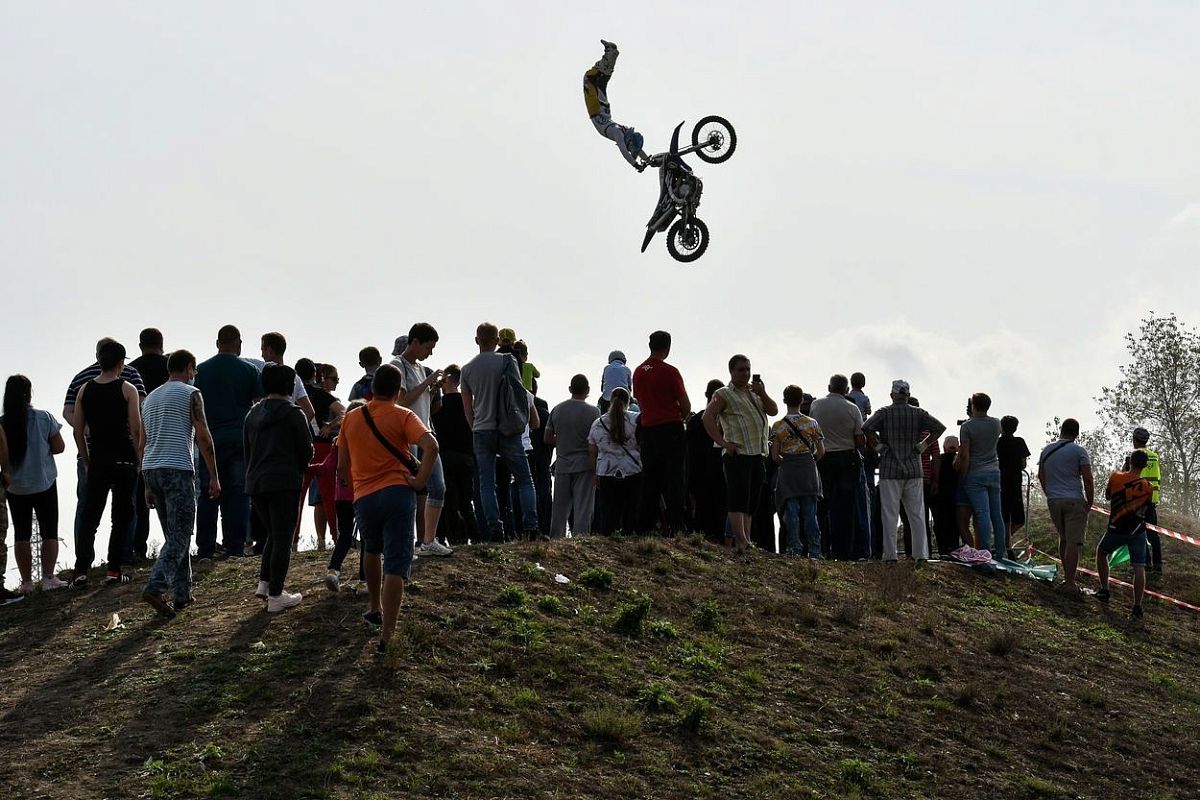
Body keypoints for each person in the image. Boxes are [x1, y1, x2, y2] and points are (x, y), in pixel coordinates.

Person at [337, 363, 438, 652]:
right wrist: (419, 480)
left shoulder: (351, 418)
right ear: (398, 390)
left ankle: (374, 607)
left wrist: (355, 484)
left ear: (371, 389)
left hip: (364, 496)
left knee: (371, 548)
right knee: (396, 561)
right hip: (397, 491)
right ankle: (387, 635)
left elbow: (343, 465)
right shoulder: (403, 414)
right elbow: (431, 446)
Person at [141, 350, 221, 617]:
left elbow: (143, 442)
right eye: (194, 370)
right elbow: (203, 436)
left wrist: (146, 484)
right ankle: (156, 586)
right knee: (181, 533)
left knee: (174, 535)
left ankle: (182, 593)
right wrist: (214, 476)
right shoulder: (191, 393)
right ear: (188, 368)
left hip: (152, 468)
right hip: (177, 467)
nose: (194, 374)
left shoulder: (150, 398)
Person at [63, 338, 147, 558]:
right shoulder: (130, 376)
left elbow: (68, 412)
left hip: (92, 453)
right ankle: (122, 556)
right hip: (124, 451)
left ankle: (83, 560)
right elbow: (140, 405)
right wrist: (139, 451)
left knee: (87, 509)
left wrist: (87, 428)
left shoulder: (81, 379)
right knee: (125, 508)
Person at [460, 322, 539, 541]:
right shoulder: (507, 360)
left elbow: (468, 409)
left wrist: (476, 426)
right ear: (496, 341)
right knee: (524, 479)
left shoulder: (466, 370)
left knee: (486, 482)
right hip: (507, 429)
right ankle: (531, 528)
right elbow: (519, 393)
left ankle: (495, 529)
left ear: (476, 340)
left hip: (481, 429)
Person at [245, 364, 313, 613]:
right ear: (290, 386)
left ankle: (265, 584)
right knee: (283, 536)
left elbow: (247, 450)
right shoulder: (294, 414)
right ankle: (276, 595)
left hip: (256, 481)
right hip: (284, 481)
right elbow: (306, 451)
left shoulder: (252, 414)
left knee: (273, 533)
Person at [194, 325, 263, 560]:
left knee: (208, 492)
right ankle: (235, 545)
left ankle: (205, 548)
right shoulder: (249, 370)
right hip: (239, 439)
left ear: (217, 343)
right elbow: (259, 403)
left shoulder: (200, 371)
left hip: (209, 440)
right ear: (239, 343)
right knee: (238, 494)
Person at [862, 380, 945, 562]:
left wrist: (879, 447)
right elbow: (939, 428)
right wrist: (922, 446)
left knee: (889, 513)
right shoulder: (918, 413)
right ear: (908, 394)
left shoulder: (884, 413)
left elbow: (866, 428)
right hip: (914, 468)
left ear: (892, 395)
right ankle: (920, 555)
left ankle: (890, 555)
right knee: (916, 513)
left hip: (890, 468)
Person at [702, 355, 777, 553]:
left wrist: (762, 392)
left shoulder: (754, 392)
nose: (745, 373)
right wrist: (723, 442)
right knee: (738, 497)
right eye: (741, 369)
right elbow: (707, 416)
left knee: (751, 500)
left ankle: (746, 540)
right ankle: (741, 540)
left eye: (747, 369)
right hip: (738, 452)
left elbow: (773, 410)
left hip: (757, 452)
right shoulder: (724, 393)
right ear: (732, 371)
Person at [2, 375, 68, 592]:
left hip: (15, 485)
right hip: (44, 481)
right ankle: (49, 577)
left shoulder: (3, 423)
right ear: (28, 393)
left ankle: (26, 582)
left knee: (21, 533)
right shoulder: (43, 417)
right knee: (49, 529)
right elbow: (59, 447)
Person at [394, 323, 452, 558]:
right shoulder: (398, 365)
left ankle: (428, 540)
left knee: (437, 486)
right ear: (415, 342)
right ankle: (408, 543)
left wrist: (432, 389)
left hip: (425, 432)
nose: (430, 353)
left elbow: (423, 403)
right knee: (408, 491)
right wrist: (428, 383)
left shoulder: (419, 368)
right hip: (408, 435)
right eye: (429, 347)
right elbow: (401, 401)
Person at [633, 331, 691, 535]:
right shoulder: (670, 372)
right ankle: (677, 527)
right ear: (668, 347)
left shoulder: (639, 371)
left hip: (648, 429)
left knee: (650, 481)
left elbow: (638, 398)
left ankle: (644, 527)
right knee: (675, 479)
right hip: (670, 428)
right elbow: (685, 405)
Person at [809, 374, 869, 560]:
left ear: (829, 387)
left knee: (822, 504)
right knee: (846, 507)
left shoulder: (816, 405)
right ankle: (843, 551)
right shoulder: (852, 409)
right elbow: (860, 439)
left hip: (823, 457)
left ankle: (821, 547)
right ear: (846, 389)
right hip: (846, 458)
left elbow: (812, 430)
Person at [127, 327, 170, 565]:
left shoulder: (131, 369)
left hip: (139, 438)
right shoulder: (169, 367)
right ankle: (175, 541)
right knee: (172, 493)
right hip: (169, 435)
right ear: (161, 343)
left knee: (139, 497)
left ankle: (138, 548)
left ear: (140, 344)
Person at [1037, 418, 1094, 594]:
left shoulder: (1046, 450)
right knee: (1073, 542)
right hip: (1074, 500)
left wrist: (1050, 494)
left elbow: (1041, 475)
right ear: (1077, 433)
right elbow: (1087, 477)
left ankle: (1065, 577)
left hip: (1054, 500)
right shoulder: (1079, 451)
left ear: (1061, 430)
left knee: (1063, 537)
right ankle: (1070, 582)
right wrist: (1089, 501)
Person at [1096, 450, 1153, 619]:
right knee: (1139, 567)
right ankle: (1137, 606)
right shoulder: (1148, 487)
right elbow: (1147, 509)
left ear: (1130, 462)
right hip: (1137, 531)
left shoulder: (1116, 477)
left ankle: (1105, 590)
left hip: (1117, 528)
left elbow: (1107, 496)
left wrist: (1123, 470)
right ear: (1144, 466)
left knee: (1101, 553)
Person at [769, 385, 825, 558]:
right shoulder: (811, 423)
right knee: (810, 512)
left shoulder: (778, 426)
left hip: (788, 469)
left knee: (791, 510)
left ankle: (794, 547)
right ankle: (815, 550)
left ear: (784, 400)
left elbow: (775, 456)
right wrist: (810, 459)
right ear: (801, 400)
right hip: (808, 468)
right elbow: (821, 450)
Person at [296, 361, 344, 550]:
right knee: (329, 496)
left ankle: (292, 542)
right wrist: (330, 426)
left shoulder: (294, 395)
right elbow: (345, 412)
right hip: (323, 448)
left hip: (301, 447)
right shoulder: (322, 395)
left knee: (297, 498)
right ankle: (337, 536)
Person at [547, 375, 601, 537]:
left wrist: (563, 441)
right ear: (588, 391)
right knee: (583, 507)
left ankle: (556, 539)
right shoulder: (594, 412)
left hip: (563, 464)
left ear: (570, 389)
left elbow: (547, 438)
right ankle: (580, 539)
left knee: (559, 508)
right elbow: (597, 440)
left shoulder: (557, 409)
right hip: (585, 464)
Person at [582, 40, 648, 171]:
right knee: (596, 81)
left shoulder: (619, 132)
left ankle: (609, 55)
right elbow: (636, 148)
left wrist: (635, 164)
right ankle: (610, 56)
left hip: (599, 110)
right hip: (601, 109)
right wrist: (647, 160)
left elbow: (624, 151)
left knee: (594, 79)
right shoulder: (622, 131)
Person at [955, 393, 1007, 559]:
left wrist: (963, 476)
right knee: (996, 515)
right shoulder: (996, 423)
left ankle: (985, 554)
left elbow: (964, 455)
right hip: (994, 472)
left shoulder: (967, 427)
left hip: (975, 474)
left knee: (982, 514)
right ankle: (1001, 552)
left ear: (973, 406)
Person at [431, 366, 477, 545]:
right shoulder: (468, 403)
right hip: (466, 454)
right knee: (467, 501)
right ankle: (475, 535)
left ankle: (456, 539)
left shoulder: (438, 405)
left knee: (449, 501)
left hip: (445, 455)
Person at [588, 387, 642, 535]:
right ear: (628, 402)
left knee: (608, 513)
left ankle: (608, 543)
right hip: (633, 470)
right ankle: (629, 540)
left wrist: (595, 473)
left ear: (610, 401)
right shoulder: (637, 419)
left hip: (606, 471)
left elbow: (592, 450)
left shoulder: (598, 423)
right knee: (630, 512)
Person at [687, 379, 726, 542]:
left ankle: (701, 539)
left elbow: (689, 451)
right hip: (721, 472)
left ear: (706, 395)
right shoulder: (726, 421)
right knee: (721, 510)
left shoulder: (695, 421)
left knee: (702, 511)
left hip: (699, 472)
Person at [1126, 427, 1163, 575]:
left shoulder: (1135, 456)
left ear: (1135, 440)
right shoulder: (1154, 456)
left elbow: (1131, 477)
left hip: (1139, 500)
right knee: (1153, 533)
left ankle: (1146, 563)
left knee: (1139, 532)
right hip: (1152, 499)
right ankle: (1158, 565)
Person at [996, 415, 1031, 559]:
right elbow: (1023, 464)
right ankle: (1006, 545)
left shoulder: (997, 442)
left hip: (999, 481)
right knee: (1018, 519)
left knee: (1004, 516)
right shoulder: (1019, 442)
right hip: (1015, 482)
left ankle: (1003, 542)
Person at [933, 435, 962, 557]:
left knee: (940, 523)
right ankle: (954, 548)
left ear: (944, 447)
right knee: (955, 524)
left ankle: (942, 549)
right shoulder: (959, 461)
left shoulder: (939, 460)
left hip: (940, 497)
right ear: (957, 447)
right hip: (957, 496)